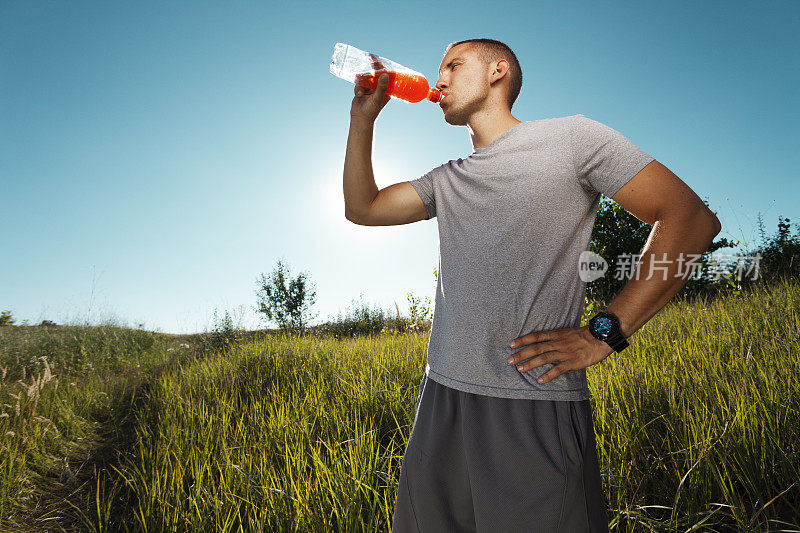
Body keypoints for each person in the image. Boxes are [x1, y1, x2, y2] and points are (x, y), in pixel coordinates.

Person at [343, 38, 721, 532]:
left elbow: (690, 219)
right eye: (439, 71)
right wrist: (363, 118)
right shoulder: (447, 179)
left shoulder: (572, 139)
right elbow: (363, 208)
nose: (439, 81)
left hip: (530, 402)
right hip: (439, 399)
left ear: (498, 71)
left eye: (454, 66)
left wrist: (603, 332)